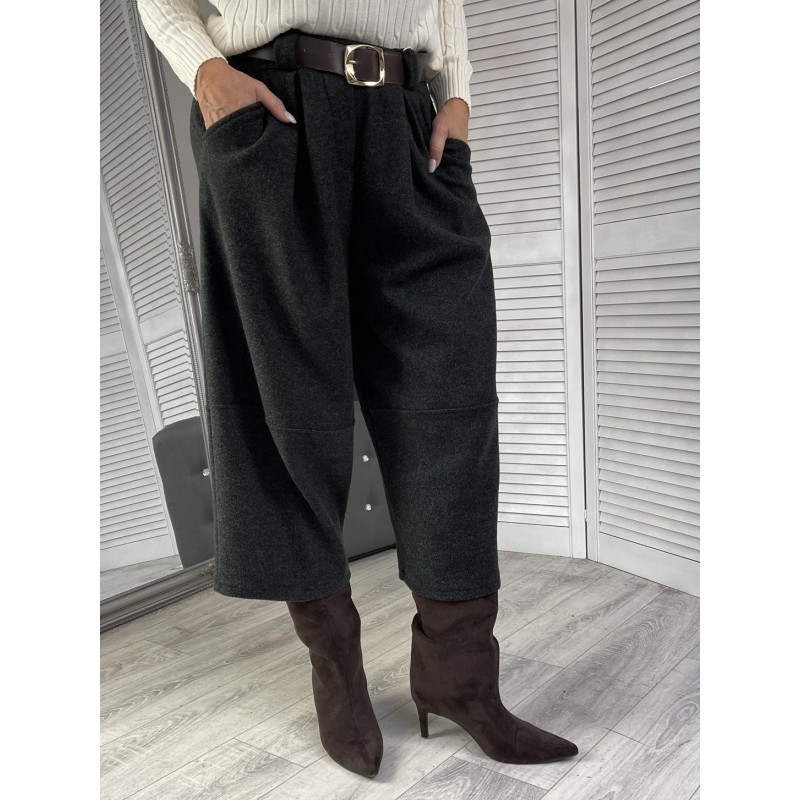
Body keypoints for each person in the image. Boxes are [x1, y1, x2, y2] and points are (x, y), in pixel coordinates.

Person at [136, 0, 579, 778]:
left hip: (411, 121)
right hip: (269, 109)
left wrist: (456, 96)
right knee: (284, 405)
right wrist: (204, 70)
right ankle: (335, 669)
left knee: (450, 402)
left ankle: (460, 679)